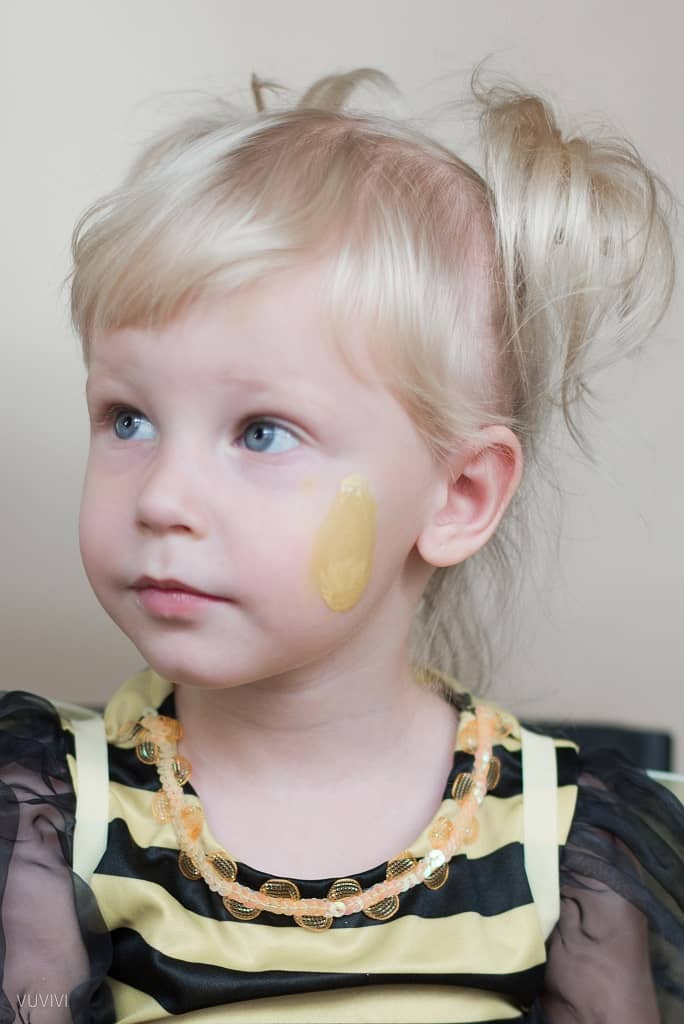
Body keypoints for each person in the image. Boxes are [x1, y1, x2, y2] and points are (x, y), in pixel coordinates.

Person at [0, 63, 682, 1024]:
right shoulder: (48, 817)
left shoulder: (570, 845)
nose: (161, 497)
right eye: (128, 419)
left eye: (261, 432)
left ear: (457, 497)